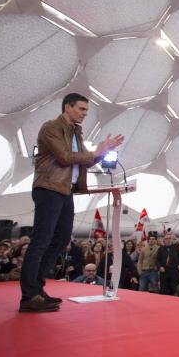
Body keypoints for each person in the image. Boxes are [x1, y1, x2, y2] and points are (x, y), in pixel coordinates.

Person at [19, 93, 124, 313]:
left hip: (65, 191)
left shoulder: (76, 132)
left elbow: (84, 160)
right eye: (82, 109)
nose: (85, 114)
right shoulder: (51, 128)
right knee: (41, 241)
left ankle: (38, 290)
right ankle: (29, 296)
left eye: (86, 110)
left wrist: (102, 151)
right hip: (49, 188)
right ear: (68, 107)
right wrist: (96, 152)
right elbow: (64, 157)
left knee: (61, 239)